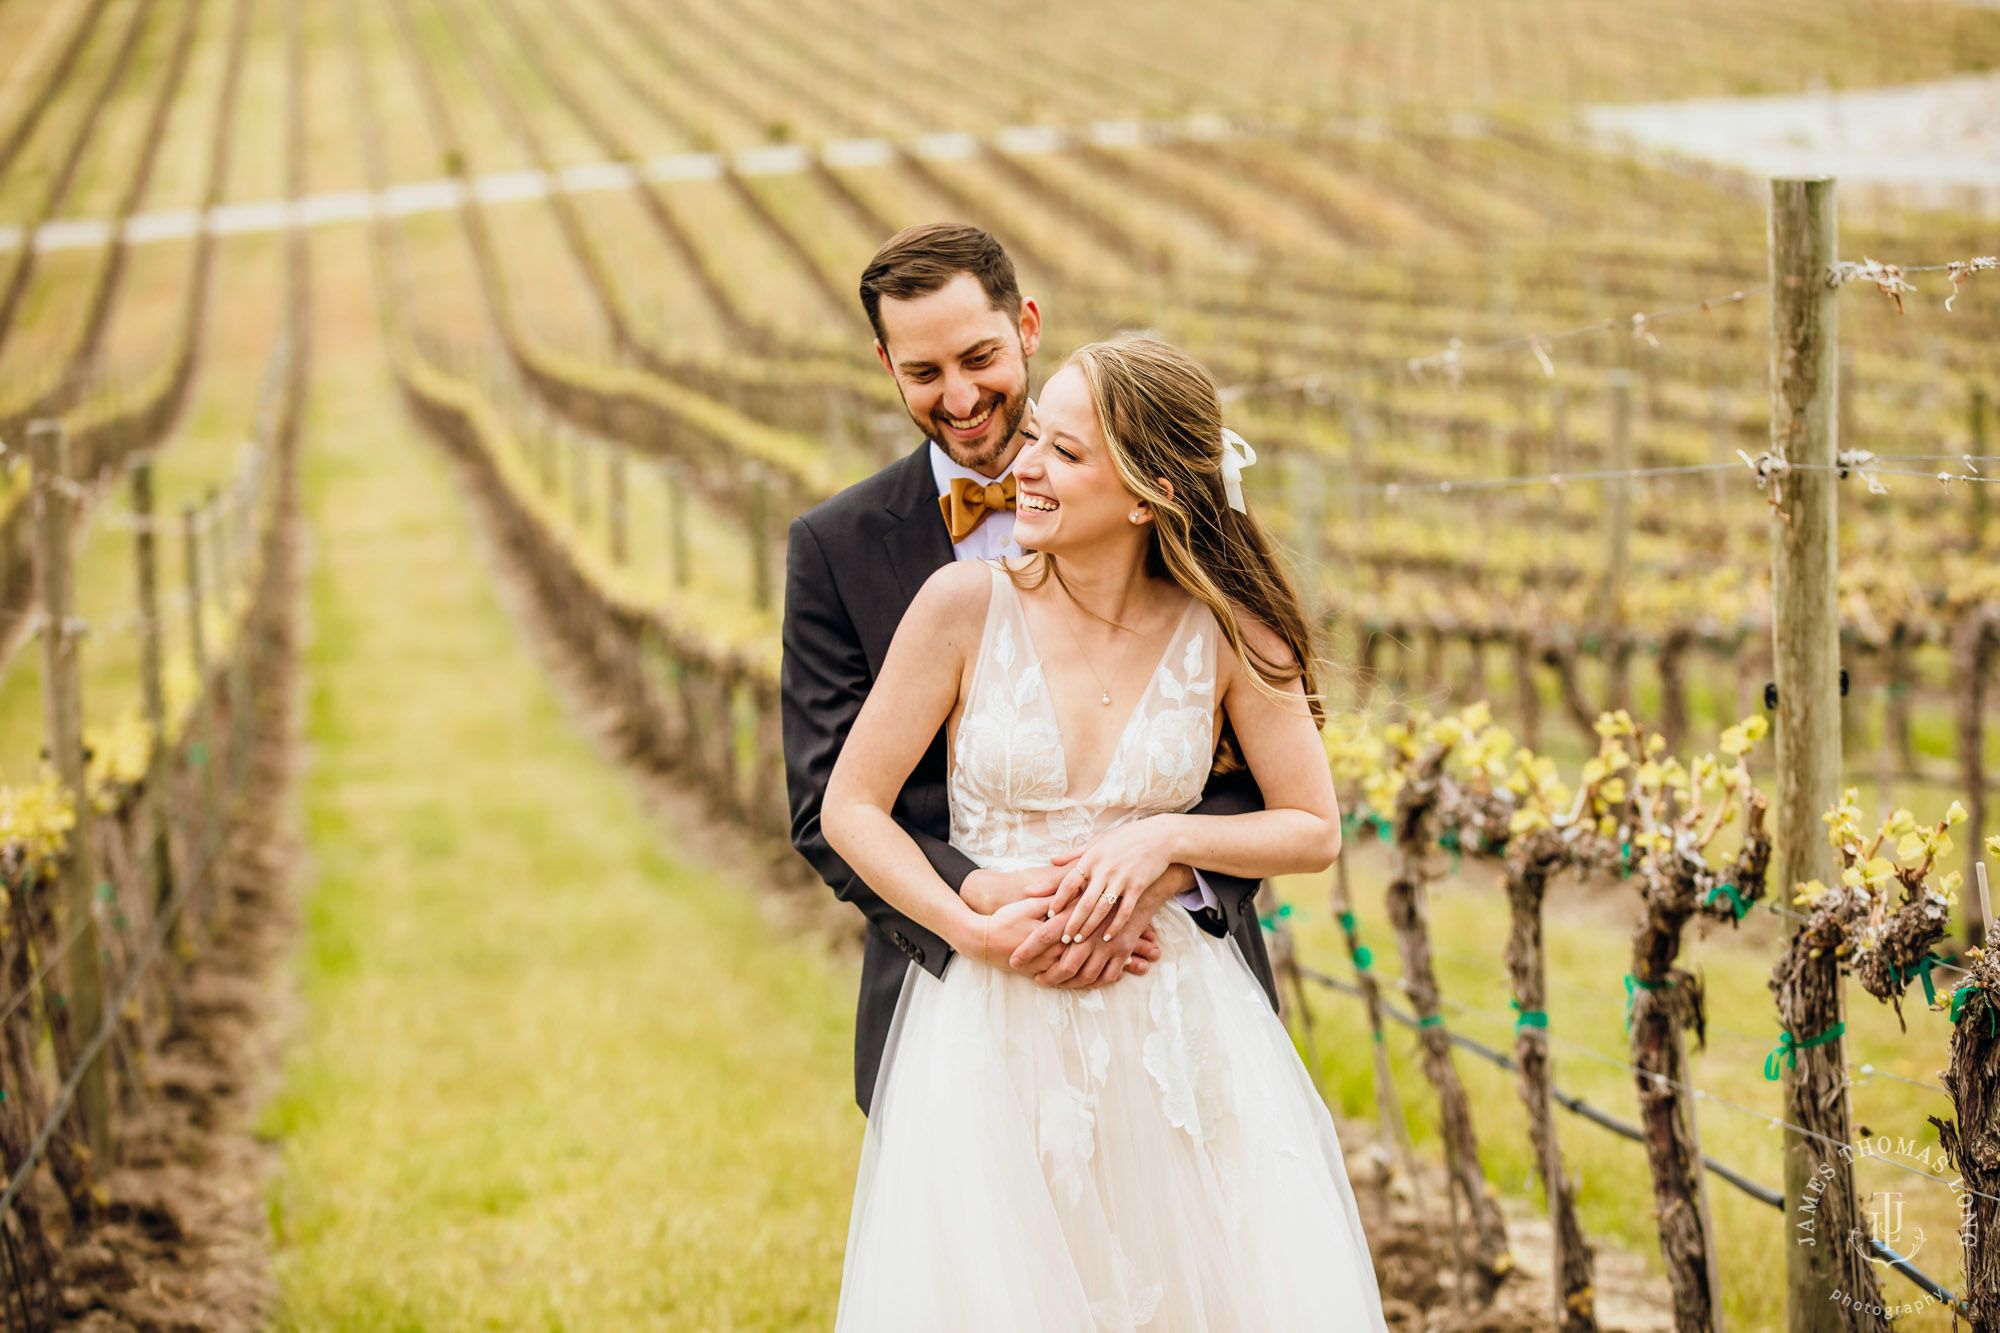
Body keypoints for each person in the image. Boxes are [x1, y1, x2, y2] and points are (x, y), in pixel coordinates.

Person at [818, 335, 1387, 1329]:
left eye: (1063, 452)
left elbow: (1310, 827)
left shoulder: (1229, 629)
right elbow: (848, 807)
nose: (1024, 467)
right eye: (1034, 436)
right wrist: (970, 927)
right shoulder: (961, 605)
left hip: (1170, 1021)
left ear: (1147, 495)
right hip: (992, 1017)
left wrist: (1166, 839)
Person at [782, 224, 1278, 1118]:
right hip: (960, 999)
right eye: (924, 373)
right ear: (886, 364)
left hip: (1175, 995)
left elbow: (1264, 779)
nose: (962, 397)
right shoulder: (835, 549)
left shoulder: (1159, 489)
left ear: (1028, 327)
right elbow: (829, 803)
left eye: (980, 357)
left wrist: (1156, 875)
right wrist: (985, 909)